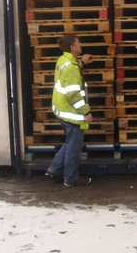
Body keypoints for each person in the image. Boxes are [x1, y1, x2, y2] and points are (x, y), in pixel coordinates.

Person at [45, 33, 93, 186]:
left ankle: (54, 169)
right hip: (72, 113)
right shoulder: (71, 67)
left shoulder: (64, 60)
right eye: (78, 42)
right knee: (74, 147)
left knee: (69, 142)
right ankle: (70, 178)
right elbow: (73, 96)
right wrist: (86, 112)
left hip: (61, 110)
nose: (81, 44)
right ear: (72, 47)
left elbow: (72, 68)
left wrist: (82, 63)